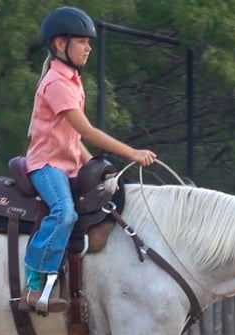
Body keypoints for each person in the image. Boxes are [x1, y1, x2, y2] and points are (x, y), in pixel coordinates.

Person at [21, 6, 156, 313]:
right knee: (64, 213)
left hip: (68, 163)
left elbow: (73, 138)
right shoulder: (56, 83)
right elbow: (87, 130)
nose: (88, 48)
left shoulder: (72, 80)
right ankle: (34, 283)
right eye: (82, 41)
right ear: (60, 44)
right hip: (47, 166)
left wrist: (96, 165)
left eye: (89, 42)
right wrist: (131, 153)